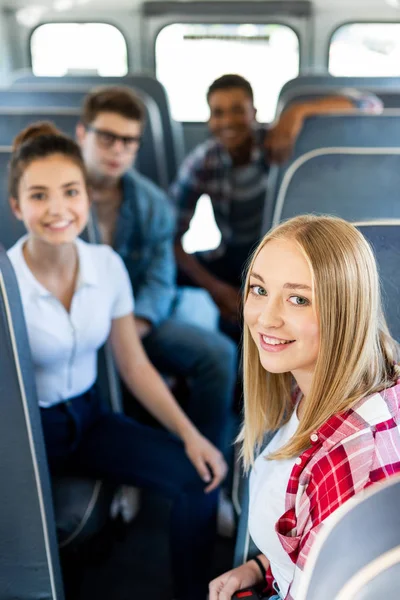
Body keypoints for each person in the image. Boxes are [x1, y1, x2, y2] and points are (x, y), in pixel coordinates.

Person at [7, 121, 228, 600]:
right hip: (27, 435)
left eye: (70, 191)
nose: (58, 209)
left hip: (89, 420)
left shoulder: (106, 266)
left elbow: (133, 365)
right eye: (39, 196)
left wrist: (191, 436)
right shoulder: (7, 287)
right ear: (17, 206)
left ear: (87, 198)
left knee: (200, 478)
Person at [209, 214, 400, 599]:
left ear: (343, 311)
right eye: (259, 290)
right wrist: (262, 567)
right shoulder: (327, 378)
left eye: (298, 299)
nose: (266, 317)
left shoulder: (350, 460)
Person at [75, 86, 236, 460]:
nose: (119, 150)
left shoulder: (150, 203)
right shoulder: (57, 197)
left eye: (130, 141)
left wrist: (136, 324)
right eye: (108, 138)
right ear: (83, 134)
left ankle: (200, 459)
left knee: (219, 355)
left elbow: (160, 279)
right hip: (66, 324)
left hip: (132, 320)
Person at [171, 74, 383, 342]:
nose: (228, 122)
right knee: (173, 271)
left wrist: (297, 111)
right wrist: (216, 289)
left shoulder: (281, 140)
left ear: (254, 113)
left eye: (238, 111)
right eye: (218, 113)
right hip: (237, 256)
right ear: (209, 120)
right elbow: (171, 237)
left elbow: (369, 104)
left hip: (292, 255)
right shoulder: (203, 162)